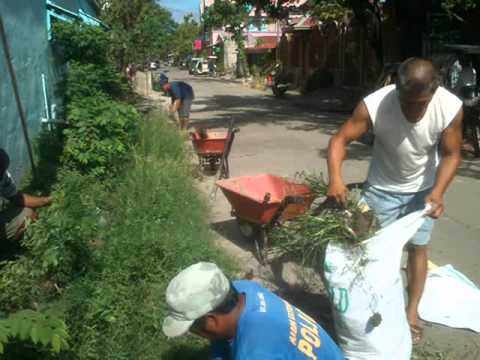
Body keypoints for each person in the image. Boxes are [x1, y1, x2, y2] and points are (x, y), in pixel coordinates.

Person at [327, 57, 463, 344]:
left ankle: (411, 312)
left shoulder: (449, 107)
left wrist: (438, 191)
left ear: (433, 93)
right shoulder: (375, 104)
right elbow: (340, 139)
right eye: (407, 102)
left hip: (422, 191)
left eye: (421, 103)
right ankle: (369, 308)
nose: (413, 110)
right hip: (380, 189)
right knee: (368, 252)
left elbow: (451, 154)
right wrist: (336, 179)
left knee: (417, 248)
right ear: (395, 89)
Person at [162, 262, 345, 360]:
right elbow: (219, 342)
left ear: (211, 321)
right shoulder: (245, 289)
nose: (194, 334)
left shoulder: (256, 352)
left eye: (192, 328)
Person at [0, 149, 51, 242]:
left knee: (29, 214)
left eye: (2, 171)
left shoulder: (3, 175)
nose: (2, 175)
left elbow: (16, 198)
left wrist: (45, 201)